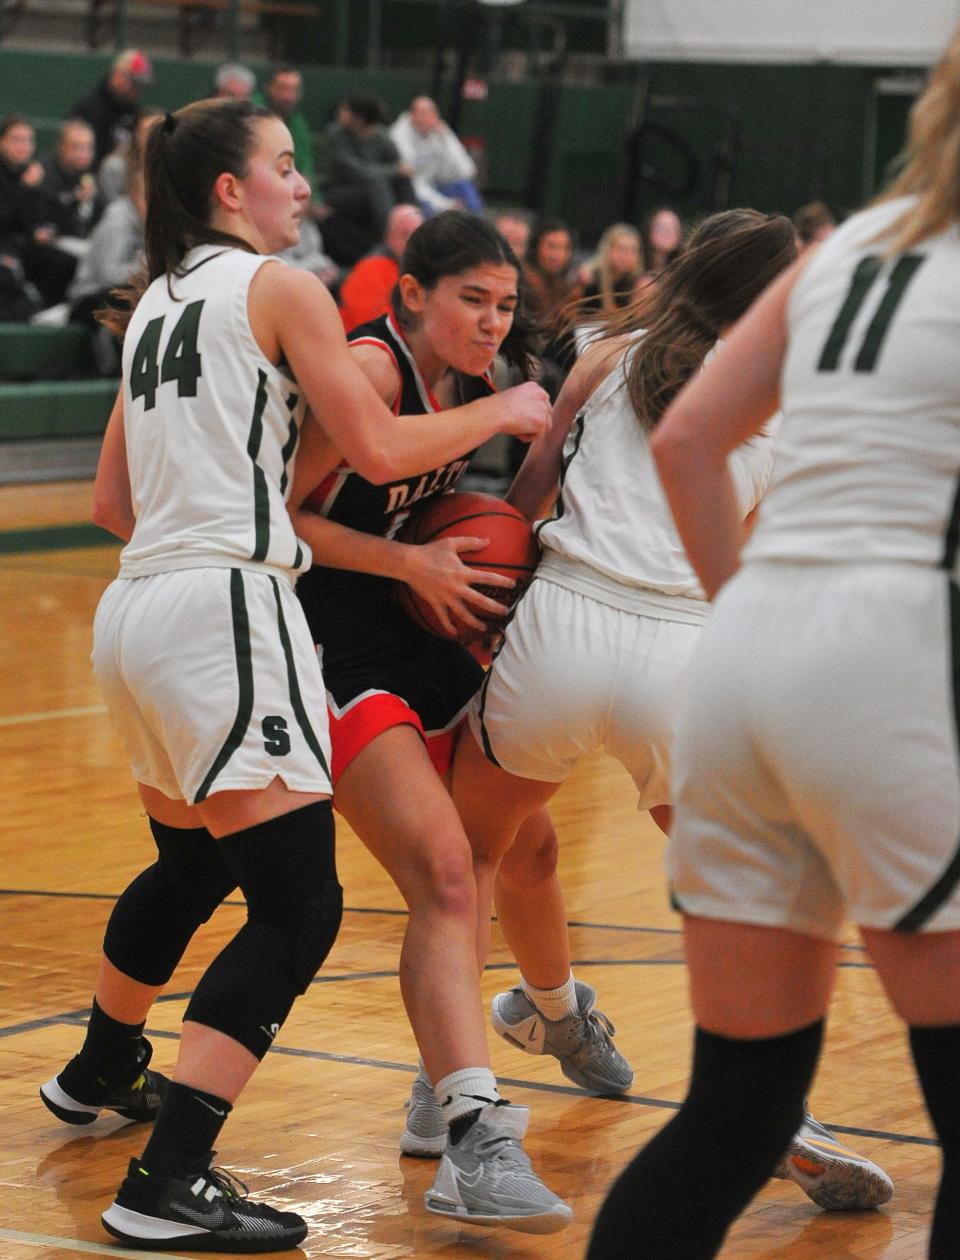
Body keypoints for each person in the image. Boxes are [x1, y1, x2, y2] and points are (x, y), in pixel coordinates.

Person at [36, 99, 551, 1255]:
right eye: (284, 164)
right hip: (225, 604)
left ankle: (101, 1067)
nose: (302, 183)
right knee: (300, 902)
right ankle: (167, 1181)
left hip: (134, 613)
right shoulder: (281, 289)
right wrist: (507, 410)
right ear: (231, 190)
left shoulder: (156, 308)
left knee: (191, 863)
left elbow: (111, 506)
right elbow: (372, 450)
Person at [587, 27, 960, 1255]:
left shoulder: (848, 246)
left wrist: (754, 615)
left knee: (734, 1113)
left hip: (742, 663)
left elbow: (690, 442)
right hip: (894, 654)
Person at [448, 209, 894, 1218]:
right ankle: (778, 1108)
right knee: (729, 896)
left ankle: (454, 1095)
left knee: (471, 861)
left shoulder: (602, 358)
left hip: (560, 627)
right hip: (684, 654)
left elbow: (520, 503)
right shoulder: (785, 396)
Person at [287, 210, 571, 1233]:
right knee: (447, 872)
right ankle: (472, 1138)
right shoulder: (371, 371)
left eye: (504, 306)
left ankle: (457, 1061)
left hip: (412, 619)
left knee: (521, 836)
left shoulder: (474, 378)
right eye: (472, 301)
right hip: (328, 641)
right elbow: (280, 516)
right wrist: (409, 559)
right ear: (412, 294)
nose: (493, 323)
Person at [320, 95, 417, 265]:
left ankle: (417, 230)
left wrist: (398, 171)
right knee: (377, 182)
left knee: (403, 182)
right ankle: (390, 236)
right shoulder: (335, 134)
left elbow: (402, 167)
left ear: (359, 118)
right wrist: (394, 170)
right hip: (338, 190)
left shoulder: (380, 137)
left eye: (345, 110)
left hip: (369, 193)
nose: (339, 113)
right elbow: (357, 170)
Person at [0, 114, 77, 309]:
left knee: (64, 262)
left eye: (28, 140)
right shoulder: (24, 181)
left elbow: (45, 214)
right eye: (16, 140)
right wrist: (25, 190)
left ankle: (52, 311)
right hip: (6, 246)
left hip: (29, 244)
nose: (23, 146)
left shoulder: (37, 174)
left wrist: (74, 201)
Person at [389, 94, 483, 215]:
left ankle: (480, 228)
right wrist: (445, 204)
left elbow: (467, 171)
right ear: (411, 115)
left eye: (431, 113)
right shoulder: (399, 135)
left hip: (436, 186)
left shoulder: (440, 131)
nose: (427, 118)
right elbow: (411, 181)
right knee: (429, 210)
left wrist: (446, 139)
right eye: (422, 113)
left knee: (465, 187)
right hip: (411, 192)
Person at [338, 201, 423, 332]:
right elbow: (375, 325)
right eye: (404, 234)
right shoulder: (370, 269)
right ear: (389, 236)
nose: (411, 241)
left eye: (417, 234)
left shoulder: (419, 269)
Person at [70, 48, 153, 170]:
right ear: (117, 75)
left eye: (141, 85)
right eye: (134, 83)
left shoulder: (135, 112)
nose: (137, 90)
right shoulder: (90, 109)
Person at [37, 119, 105, 250]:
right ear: (61, 146)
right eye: (76, 147)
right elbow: (46, 219)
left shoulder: (91, 173)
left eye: (88, 147)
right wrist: (74, 199)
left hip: (85, 241)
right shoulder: (43, 172)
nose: (84, 154)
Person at [253, 66, 314, 190]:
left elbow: (306, 165)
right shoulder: (253, 112)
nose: (288, 97)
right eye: (282, 89)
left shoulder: (298, 122)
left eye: (293, 90)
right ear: (269, 88)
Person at [644, 205, 683, 273]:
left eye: (673, 228)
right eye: (661, 227)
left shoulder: (683, 270)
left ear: (679, 235)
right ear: (650, 230)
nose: (666, 232)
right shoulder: (637, 264)